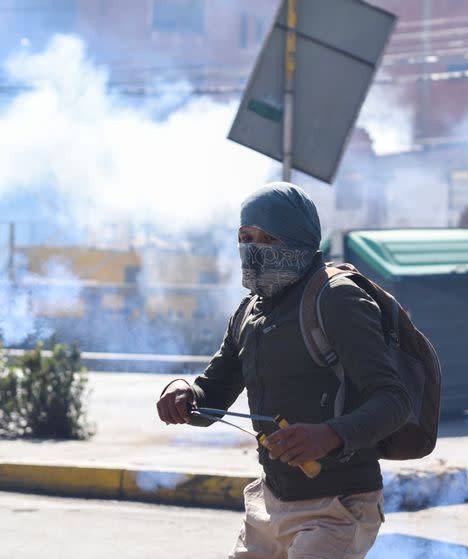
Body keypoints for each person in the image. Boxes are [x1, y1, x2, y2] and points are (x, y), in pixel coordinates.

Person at [156, 182, 411, 559]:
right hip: (269, 504)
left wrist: (330, 435)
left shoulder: (336, 298)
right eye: (245, 238)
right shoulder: (249, 311)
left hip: (336, 508)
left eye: (268, 239)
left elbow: (394, 399)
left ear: (299, 242)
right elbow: (211, 393)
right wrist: (184, 395)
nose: (253, 250)